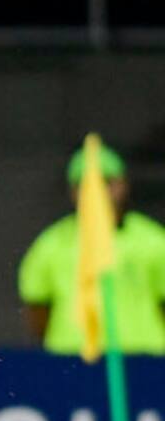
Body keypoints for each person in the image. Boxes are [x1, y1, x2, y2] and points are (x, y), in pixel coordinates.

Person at [18, 142, 165, 355]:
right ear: (73, 191)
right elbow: (37, 310)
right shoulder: (51, 244)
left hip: (144, 359)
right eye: (85, 183)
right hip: (71, 358)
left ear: (123, 185)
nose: (97, 191)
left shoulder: (154, 240)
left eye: (107, 181)